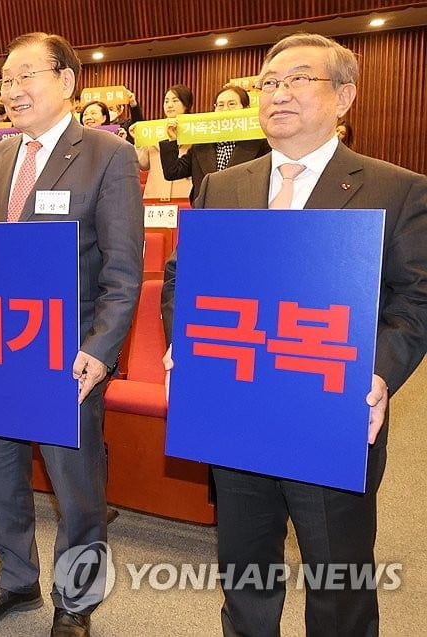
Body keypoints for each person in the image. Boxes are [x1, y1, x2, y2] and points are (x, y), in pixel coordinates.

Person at [162, 33, 427, 637]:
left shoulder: (398, 189)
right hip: (237, 406)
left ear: (345, 97)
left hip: (332, 407)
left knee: (338, 577)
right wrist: (186, 339)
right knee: (246, 569)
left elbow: (416, 299)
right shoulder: (223, 186)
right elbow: (184, 276)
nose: (278, 92)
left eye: (298, 79)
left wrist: (379, 373)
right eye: (270, 82)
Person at [0, 32, 142, 635]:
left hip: (67, 355)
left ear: (67, 80)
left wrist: (101, 350)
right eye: (4, 80)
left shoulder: (107, 154)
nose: (11, 91)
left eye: (26, 76)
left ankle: (77, 601)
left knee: (77, 492)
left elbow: (124, 269)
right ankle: (15, 578)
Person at [158, 85, 270, 201]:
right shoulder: (202, 144)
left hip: (243, 211)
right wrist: (172, 140)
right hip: (205, 211)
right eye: (220, 105)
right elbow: (173, 172)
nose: (225, 109)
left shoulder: (260, 143)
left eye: (232, 104)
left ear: (246, 108)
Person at [137, 85, 194, 201]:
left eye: (175, 100)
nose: (169, 105)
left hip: (184, 194)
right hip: (155, 195)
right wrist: (139, 141)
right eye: (166, 101)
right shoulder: (154, 129)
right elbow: (143, 164)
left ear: (186, 104)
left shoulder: (195, 129)